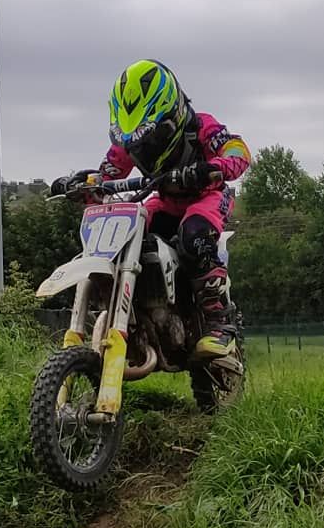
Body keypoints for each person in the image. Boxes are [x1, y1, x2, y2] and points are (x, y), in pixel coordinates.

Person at [52, 60, 251, 359]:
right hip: (164, 199)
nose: (144, 146)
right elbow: (109, 171)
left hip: (207, 195)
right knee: (128, 236)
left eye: (152, 137)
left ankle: (219, 322)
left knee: (194, 236)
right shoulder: (128, 141)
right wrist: (84, 184)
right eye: (137, 141)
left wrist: (210, 168)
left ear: (171, 112)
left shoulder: (201, 126)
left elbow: (238, 151)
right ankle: (139, 315)